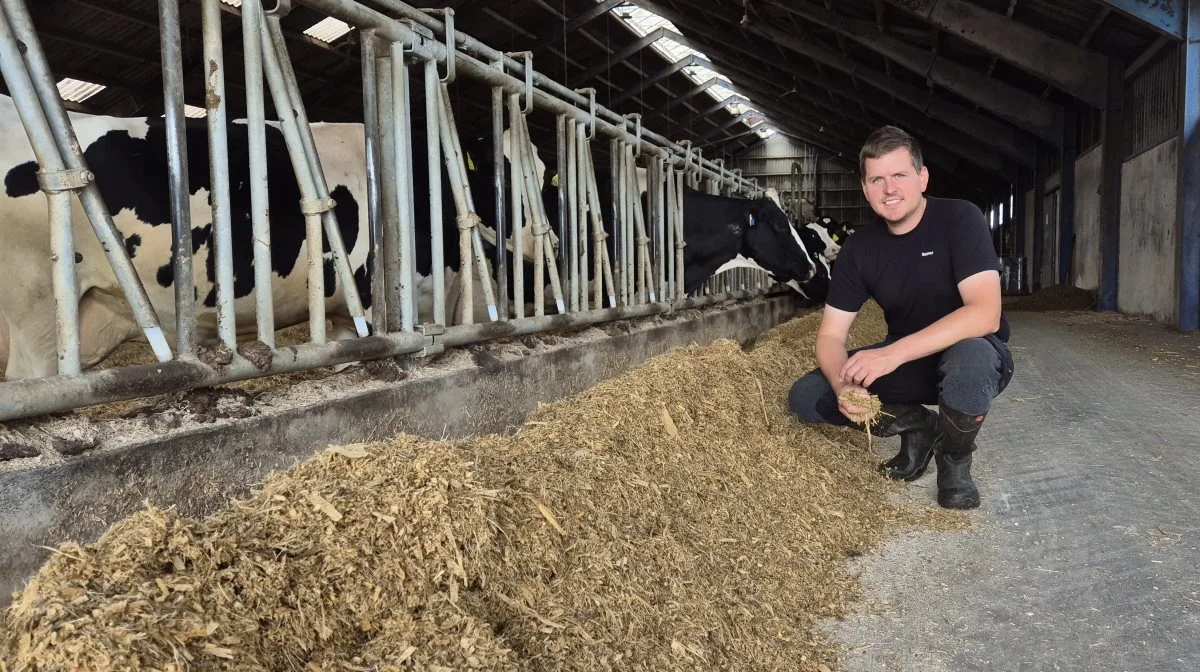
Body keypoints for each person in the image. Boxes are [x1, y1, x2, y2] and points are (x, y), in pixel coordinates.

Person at [788, 126, 1015, 510]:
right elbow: (830, 337)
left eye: (899, 175)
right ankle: (919, 426)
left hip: (968, 354)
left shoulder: (960, 219)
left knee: (971, 359)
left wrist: (892, 354)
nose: (889, 189)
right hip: (908, 361)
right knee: (808, 396)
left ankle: (955, 461)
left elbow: (985, 314)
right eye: (877, 179)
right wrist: (844, 388)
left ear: (922, 177)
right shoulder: (859, 249)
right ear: (865, 188)